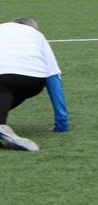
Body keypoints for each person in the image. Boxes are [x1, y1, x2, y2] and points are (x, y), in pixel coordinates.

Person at [0, 18, 69, 152]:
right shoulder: (38, 36)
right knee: (8, 89)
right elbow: (53, 79)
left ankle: (2, 128)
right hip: (33, 81)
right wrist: (62, 123)